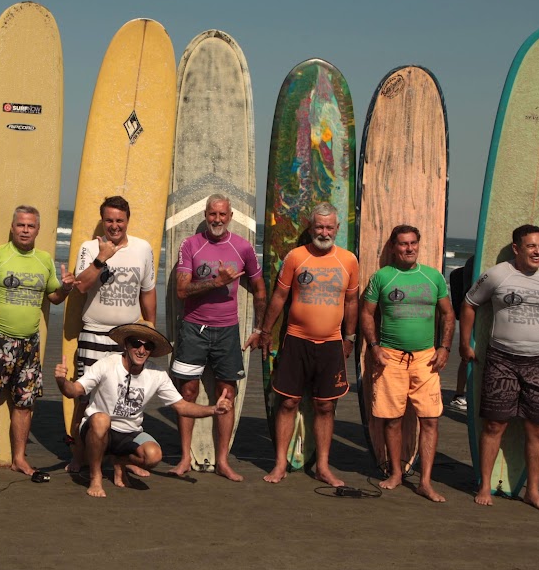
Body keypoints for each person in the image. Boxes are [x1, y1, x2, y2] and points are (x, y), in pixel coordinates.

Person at [459, 224, 539, 512]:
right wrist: (465, 344)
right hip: (502, 360)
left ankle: (532, 491)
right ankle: (485, 485)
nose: (538, 251)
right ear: (516, 248)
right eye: (531, 246)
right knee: (494, 424)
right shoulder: (498, 274)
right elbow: (470, 303)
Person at [0, 205, 75, 477]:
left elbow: (53, 297)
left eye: (31, 226)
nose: (25, 230)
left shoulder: (44, 260)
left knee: (25, 403)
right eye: (21, 225)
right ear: (12, 226)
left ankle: (19, 458)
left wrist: (66, 288)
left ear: (38, 229)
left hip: (29, 343)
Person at [54, 322, 232, 497]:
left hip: (129, 431)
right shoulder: (107, 364)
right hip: (97, 429)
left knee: (154, 456)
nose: (141, 350)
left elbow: (182, 406)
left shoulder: (157, 374)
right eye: (136, 344)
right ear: (126, 345)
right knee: (101, 419)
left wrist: (213, 410)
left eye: (148, 346)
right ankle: (96, 476)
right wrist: (62, 382)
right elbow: (75, 391)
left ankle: (119, 461)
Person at [258, 202, 359, 487]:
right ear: (310, 228)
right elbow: (279, 296)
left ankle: (323, 467)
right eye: (319, 227)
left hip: (331, 344)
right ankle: (280, 464)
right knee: (288, 401)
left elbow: (351, 302)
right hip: (296, 339)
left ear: (337, 229)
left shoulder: (349, 260)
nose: (324, 232)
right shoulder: (296, 257)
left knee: (325, 406)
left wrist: (349, 338)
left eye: (329, 227)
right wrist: (265, 330)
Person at [170, 194, 266, 482]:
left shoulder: (243, 248)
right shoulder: (190, 245)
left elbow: (260, 290)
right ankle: (185, 456)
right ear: (205, 214)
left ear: (231, 216)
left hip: (227, 330)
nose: (217, 220)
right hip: (193, 329)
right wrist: (218, 282)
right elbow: (181, 291)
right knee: (187, 392)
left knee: (227, 394)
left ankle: (223, 460)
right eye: (213, 214)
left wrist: (259, 329)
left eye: (222, 215)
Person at [360, 225, 455, 502]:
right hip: (391, 357)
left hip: (425, 359)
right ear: (393, 247)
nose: (409, 248)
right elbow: (367, 314)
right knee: (392, 420)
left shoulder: (433, 276)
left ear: (419, 244)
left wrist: (445, 348)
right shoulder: (383, 277)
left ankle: (425, 482)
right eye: (403, 244)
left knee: (430, 420)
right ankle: (396, 473)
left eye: (413, 243)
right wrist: (374, 347)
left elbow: (448, 314)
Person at [68, 195, 156, 476]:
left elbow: (148, 290)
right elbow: (81, 286)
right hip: (93, 333)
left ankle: (116, 457)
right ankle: (78, 456)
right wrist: (102, 258)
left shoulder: (143, 248)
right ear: (102, 221)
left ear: (127, 220)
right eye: (109, 220)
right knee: (84, 398)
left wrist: (151, 323)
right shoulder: (89, 247)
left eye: (119, 220)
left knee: (124, 397)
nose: (114, 226)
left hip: (126, 339)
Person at [448, 256, 474, 409]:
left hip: (469, 314)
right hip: (473, 315)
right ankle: (460, 394)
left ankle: (459, 394)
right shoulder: (475, 260)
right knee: (468, 357)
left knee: (467, 357)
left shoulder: (472, 260)